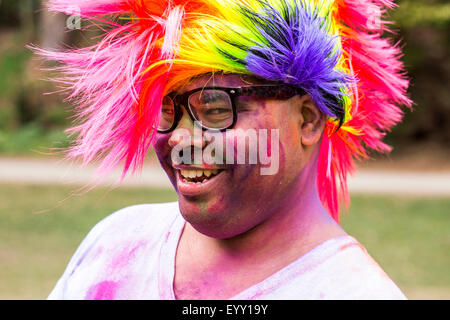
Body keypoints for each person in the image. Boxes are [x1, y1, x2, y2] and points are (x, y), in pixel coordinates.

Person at [38, 0, 411, 300]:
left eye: (216, 109)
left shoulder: (355, 292)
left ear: (308, 120)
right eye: (166, 110)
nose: (180, 139)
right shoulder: (115, 244)